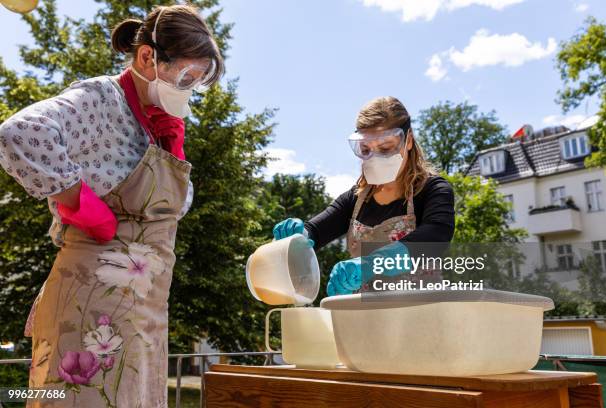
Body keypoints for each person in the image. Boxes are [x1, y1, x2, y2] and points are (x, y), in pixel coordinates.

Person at [0, 5, 223, 407]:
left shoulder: (156, 124)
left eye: (199, 80)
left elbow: (177, 207)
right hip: (92, 303)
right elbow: (20, 133)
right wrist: (80, 203)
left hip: (143, 309)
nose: (190, 87)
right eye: (186, 75)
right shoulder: (103, 98)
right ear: (147, 57)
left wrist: (171, 146)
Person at [273, 97, 455, 296]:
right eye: (366, 149)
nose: (375, 157)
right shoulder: (356, 199)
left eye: (386, 148)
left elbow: (436, 235)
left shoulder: (432, 189)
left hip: (422, 312)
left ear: (408, 140)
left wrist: (373, 263)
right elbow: (317, 230)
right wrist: (300, 235)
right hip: (366, 317)